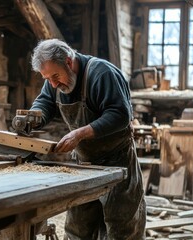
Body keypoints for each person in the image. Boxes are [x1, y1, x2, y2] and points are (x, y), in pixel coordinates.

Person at [29, 39, 146, 239]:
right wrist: (32, 117)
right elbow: (46, 101)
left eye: (55, 76)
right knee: (78, 229)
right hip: (84, 164)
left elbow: (119, 114)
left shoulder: (102, 74)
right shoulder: (54, 80)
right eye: (47, 78)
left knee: (122, 228)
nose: (53, 84)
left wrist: (79, 133)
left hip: (117, 163)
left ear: (68, 61)